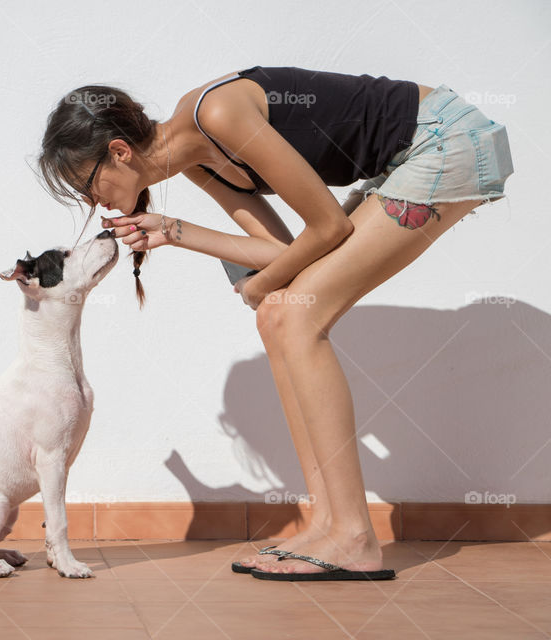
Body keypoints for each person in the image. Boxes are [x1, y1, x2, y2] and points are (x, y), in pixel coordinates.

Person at [35, 65, 514, 580]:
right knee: (279, 317)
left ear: (119, 151)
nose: (93, 202)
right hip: (402, 160)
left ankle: (353, 535)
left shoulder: (215, 114)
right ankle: (329, 523)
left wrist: (262, 285)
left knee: (291, 316)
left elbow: (327, 227)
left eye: (86, 185)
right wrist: (174, 232)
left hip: (446, 139)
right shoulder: (198, 162)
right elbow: (286, 250)